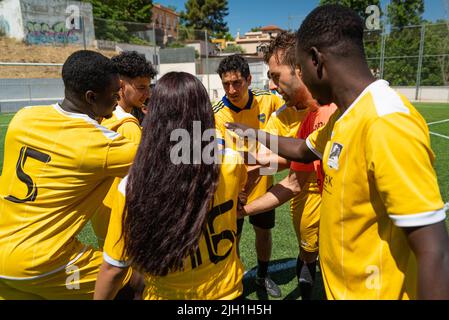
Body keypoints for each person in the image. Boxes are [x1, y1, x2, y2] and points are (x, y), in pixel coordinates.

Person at [227, 4, 449, 300]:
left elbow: (435, 250)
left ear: (315, 60)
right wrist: (252, 133)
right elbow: (303, 150)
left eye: (301, 69)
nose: (302, 78)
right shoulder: (343, 117)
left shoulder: (386, 121)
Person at [94, 72, 246, 300]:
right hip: (229, 294)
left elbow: (115, 268)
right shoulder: (231, 161)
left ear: (154, 116)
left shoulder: (133, 185)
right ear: (205, 113)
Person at [0, 50, 139, 299]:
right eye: (113, 95)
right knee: (132, 278)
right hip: (41, 263)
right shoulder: (101, 144)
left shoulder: (23, 118)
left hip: (3, 258)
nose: (117, 101)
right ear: (91, 97)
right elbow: (168, 162)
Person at [245, 31, 336, 300]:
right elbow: (292, 174)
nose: (272, 87)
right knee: (310, 253)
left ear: (300, 68)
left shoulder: (345, 108)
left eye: (275, 76)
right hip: (306, 195)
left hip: (350, 217)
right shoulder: (297, 120)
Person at [213, 54, 284, 298]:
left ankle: (263, 276)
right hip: (234, 191)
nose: (231, 89)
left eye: (237, 83)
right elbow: (220, 158)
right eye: (226, 84)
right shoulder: (218, 113)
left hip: (264, 186)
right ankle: (234, 279)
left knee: (263, 233)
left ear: (249, 79)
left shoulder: (269, 101)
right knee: (233, 237)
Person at [91, 51, 157, 248]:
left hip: (102, 212)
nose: (147, 93)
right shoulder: (128, 125)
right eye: (141, 87)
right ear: (120, 85)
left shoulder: (100, 115)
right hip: (122, 218)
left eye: (148, 87)